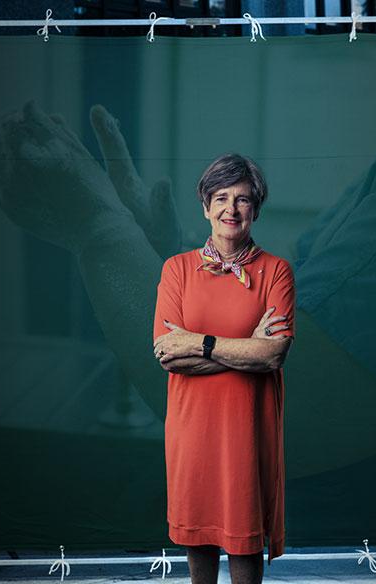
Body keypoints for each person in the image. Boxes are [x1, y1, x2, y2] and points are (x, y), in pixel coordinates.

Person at [151, 154, 296, 584]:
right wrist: (245, 344)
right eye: (220, 198)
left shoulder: (276, 272)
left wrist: (199, 342)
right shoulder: (175, 269)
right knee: (198, 546)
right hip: (191, 431)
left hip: (248, 434)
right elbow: (167, 355)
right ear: (205, 206)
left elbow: (272, 355)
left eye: (243, 200)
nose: (231, 209)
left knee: (244, 545)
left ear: (256, 208)